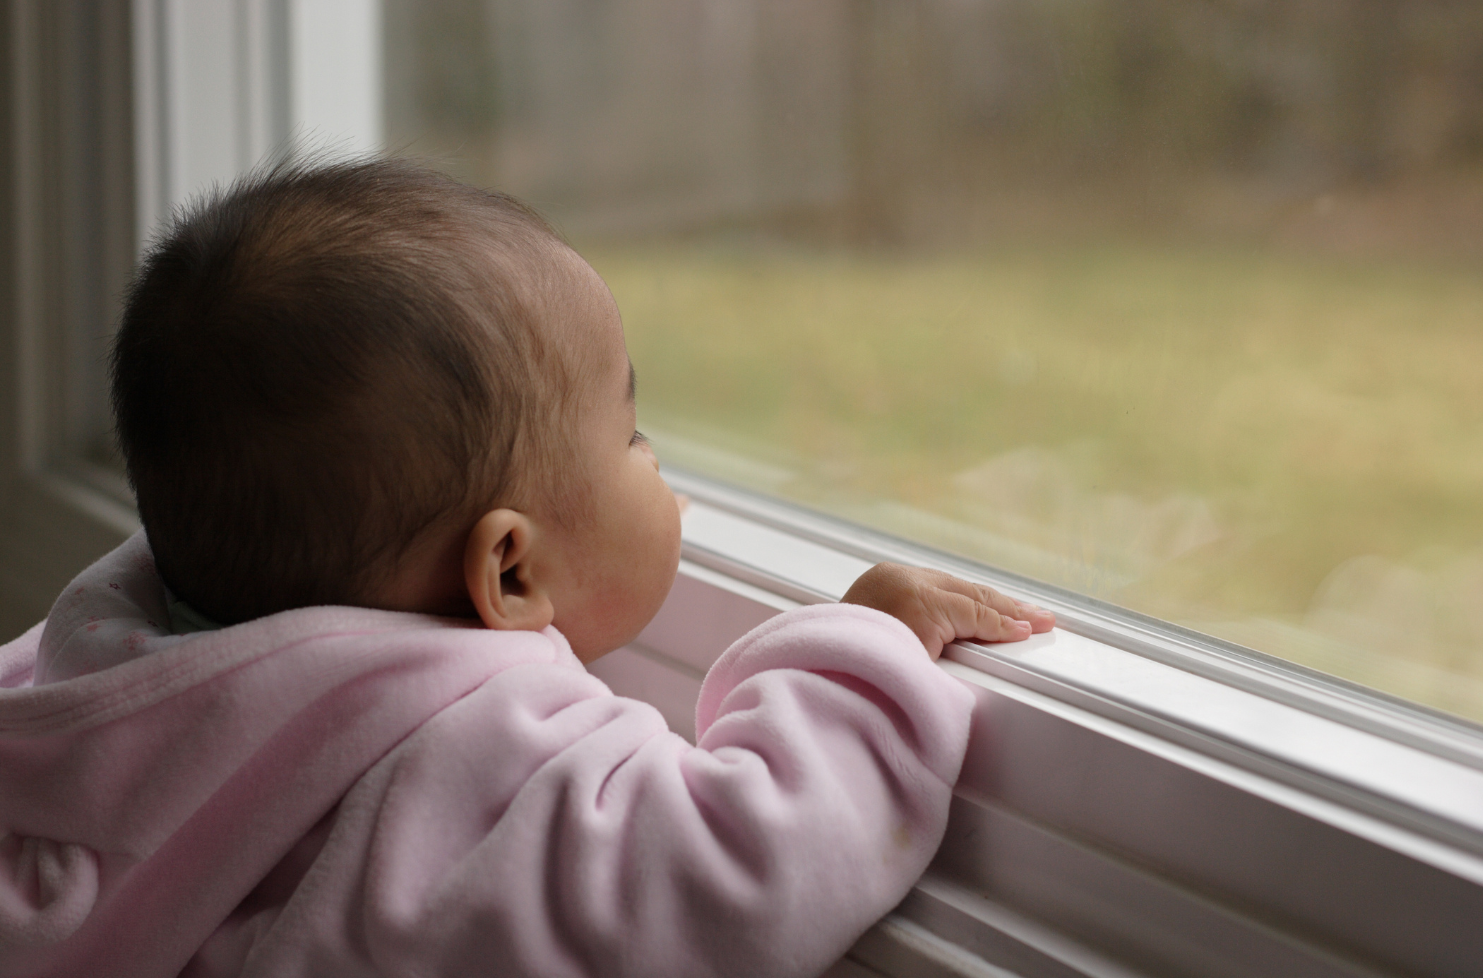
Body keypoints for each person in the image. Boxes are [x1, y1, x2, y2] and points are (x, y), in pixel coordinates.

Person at [0, 158, 1054, 978]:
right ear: (508, 575)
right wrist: (862, 647)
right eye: (633, 435)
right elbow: (742, 866)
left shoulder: (88, 676)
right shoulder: (467, 766)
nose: (656, 461)